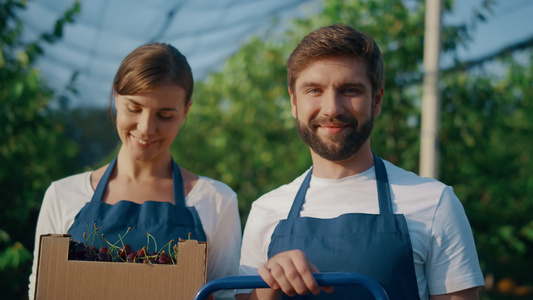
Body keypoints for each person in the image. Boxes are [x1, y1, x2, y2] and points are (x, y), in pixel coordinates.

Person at [237, 24, 485, 300]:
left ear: (376, 101)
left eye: (350, 90)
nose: (332, 109)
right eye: (314, 90)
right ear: (294, 102)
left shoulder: (435, 203)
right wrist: (267, 285)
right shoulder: (266, 210)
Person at [28, 43, 241, 300]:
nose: (146, 128)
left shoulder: (216, 200)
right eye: (134, 108)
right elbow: (42, 290)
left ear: (186, 112)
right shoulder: (63, 195)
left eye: (164, 115)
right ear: (116, 97)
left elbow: (227, 295)